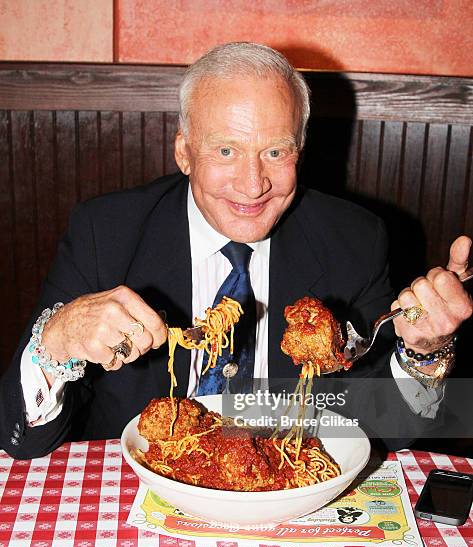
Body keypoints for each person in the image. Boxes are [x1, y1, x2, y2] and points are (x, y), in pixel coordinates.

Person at [0, 42, 471, 459]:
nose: (253, 185)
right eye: (226, 151)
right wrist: (56, 341)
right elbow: (21, 437)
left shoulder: (354, 238)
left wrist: (426, 354)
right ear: (184, 151)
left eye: (275, 152)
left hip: (288, 490)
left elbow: (386, 425)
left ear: (300, 151)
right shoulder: (105, 232)